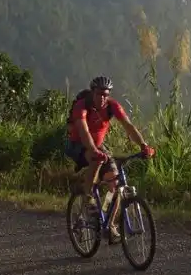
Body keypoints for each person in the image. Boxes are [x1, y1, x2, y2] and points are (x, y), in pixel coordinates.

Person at [64, 76, 155, 244]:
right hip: (77, 145)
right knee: (96, 160)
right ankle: (87, 196)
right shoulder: (81, 106)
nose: (103, 98)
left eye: (106, 94)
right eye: (99, 94)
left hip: (98, 145)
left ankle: (111, 225)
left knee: (116, 182)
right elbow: (83, 132)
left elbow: (128, 126)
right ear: (92, 93)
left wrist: (143, 145)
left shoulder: (112, 106)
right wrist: (93, 151)